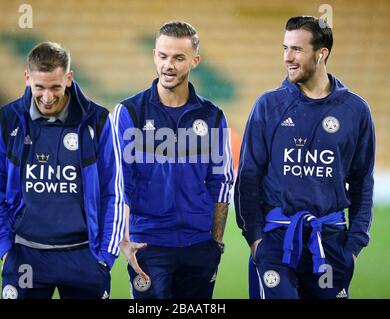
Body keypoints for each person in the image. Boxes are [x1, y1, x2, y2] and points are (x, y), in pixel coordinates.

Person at [234, 16, 375, 299]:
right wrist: (256, 241)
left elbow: (362, 182)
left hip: (330, 244)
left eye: (297, 49)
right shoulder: (269, 105)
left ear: (321, 54)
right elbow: (248, 177)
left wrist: (353, 248)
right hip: (276, 242)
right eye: (285, 48)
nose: (288, 57)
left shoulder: (355, 110)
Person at [0, 42, 124, 299]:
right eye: (40, 88)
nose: (47, 97)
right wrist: (5, 248)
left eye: (55, 87)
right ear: (27, 78)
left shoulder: (98, 121)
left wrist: (105, 257)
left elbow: (113, 191)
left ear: (68, 78)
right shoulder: (6, 120)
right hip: (25, 255)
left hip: (84, 256)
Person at [114, 21, 234, 299]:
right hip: (148, 245)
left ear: (195, 60)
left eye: (178, 58)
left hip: (199, 246)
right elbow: (121, 182)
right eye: (163, 56)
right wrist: (125, 240)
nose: (168, 65)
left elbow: (222, 180)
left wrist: (215, 242)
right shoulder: (129, 113)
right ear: (154, 55)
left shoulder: (213, 116)